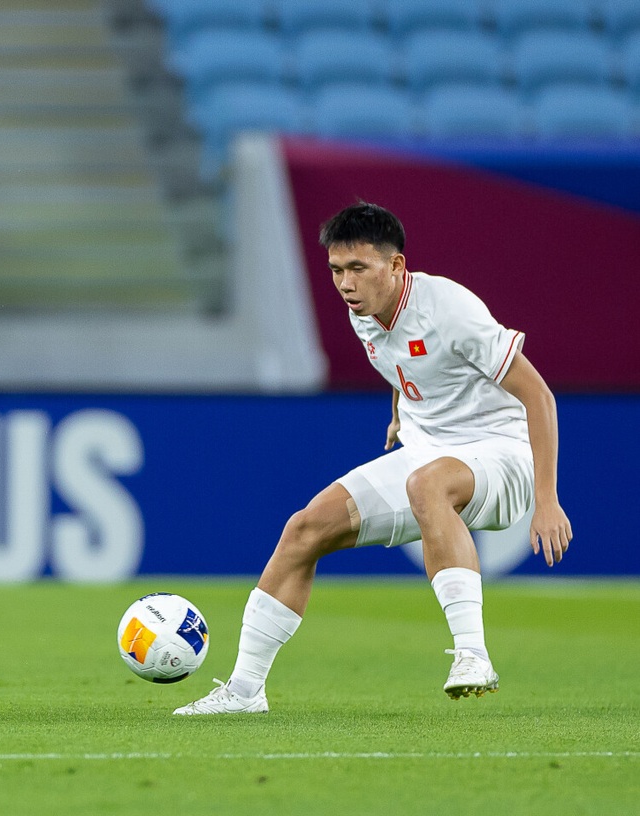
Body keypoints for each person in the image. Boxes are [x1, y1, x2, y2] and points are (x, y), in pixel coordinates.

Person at [174, 202, 572, 715]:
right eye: (337, 270)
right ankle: (245, 690)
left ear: (397, 266)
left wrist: (546, 498)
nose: (345, 283)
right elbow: (401, 363)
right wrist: (401, 411)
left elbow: (539, 396)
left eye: (358, 268)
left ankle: (473, 655)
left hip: (502, 453)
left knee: (427, 485)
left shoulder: (450, 309)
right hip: (429, 453)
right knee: (305, 528)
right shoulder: (364, 314)